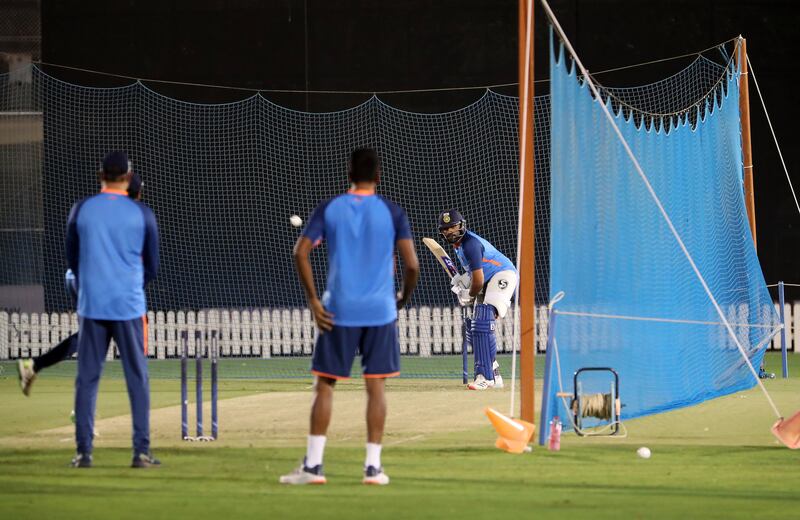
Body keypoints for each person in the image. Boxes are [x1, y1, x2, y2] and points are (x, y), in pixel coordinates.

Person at [280, 147, 419, 486]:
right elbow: (413, 265)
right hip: (379, 311)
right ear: (379, 175)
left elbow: (300, 252)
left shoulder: (331, 208)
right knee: (376, 388)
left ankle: (314, 466)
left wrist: (314, 301)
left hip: (337, 310)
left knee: (325, 384)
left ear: (349, 173)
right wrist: (401, 298)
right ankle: (373, 467)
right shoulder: (392, 211)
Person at [66, 152, 159, 468]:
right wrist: (129, 285)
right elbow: (152, 267)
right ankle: (141, 453)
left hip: (92, 305)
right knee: (137, 379)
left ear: (100, 174)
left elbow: (72, 260)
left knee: (87, 379)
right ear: (129, 176)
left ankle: (84, 453)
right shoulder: (142, 213)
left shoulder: (82, 209)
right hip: (128, 305)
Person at [16, 172, 144, 396]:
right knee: (99, 337)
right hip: (91, 280)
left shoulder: (100, 207)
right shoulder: (128, 216)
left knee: (91, 337)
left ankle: (35, 366)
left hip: (76, 276)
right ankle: (83, 407)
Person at [438, 209, 517, 390]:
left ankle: (484, 377)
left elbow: (479, 279)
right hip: (488, 279)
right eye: (446, 229)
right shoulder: (458, 247)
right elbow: (476, 273)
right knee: (476, 328)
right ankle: (494, 373)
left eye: (453, 227)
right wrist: (463, 280)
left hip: (502, 274)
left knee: (483, 318)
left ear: (462, 225)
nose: (450, 231)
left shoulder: (470, 244)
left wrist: (469, 293)